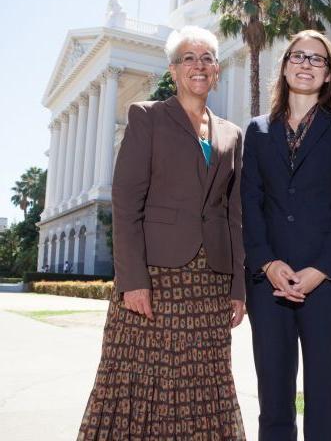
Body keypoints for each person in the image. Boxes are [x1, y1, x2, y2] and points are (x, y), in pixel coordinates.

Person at [78, 26, 246, 440]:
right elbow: (126, 202)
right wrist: (133, 281)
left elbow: (235, 214)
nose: (199, 65)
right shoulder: (147, 116)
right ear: (173, 70)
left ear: (217, 71)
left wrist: (239, 287)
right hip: (155, 277)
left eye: (207, 58)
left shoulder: (231, 134)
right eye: (189, 57)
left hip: (211, 281)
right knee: (142, 378)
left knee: (205, 382)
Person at [241, 30, 331, 440]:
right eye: (298, 56)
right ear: (285, 65)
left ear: (329, 74)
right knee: (273, 397)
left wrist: (321, 270)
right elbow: (250, 204)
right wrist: (268, 263)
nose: (306, 64)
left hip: (326, 283)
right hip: (269, 283)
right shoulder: (257, 131)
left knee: (326, 396)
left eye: (317, 59)